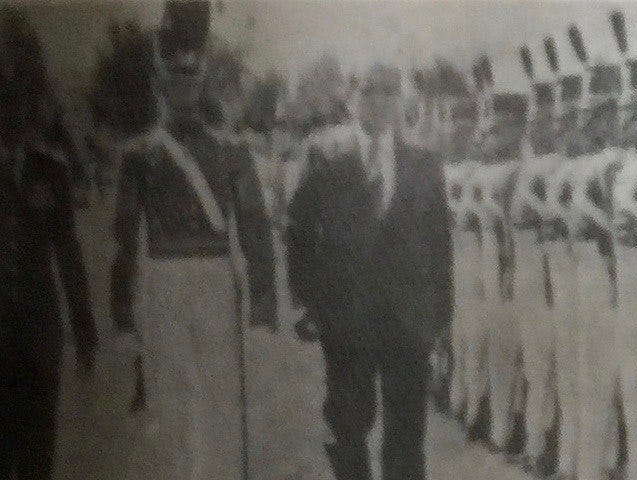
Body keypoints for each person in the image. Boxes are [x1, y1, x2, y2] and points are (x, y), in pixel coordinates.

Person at [107, 2, 278, 479]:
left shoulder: (231, 153)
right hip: (164, 285)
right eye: (172, 80)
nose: (181, 89)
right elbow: (123, 242)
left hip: (215, 284)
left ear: (201, 81)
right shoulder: (140, 157)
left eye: (190, 78)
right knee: (173, 409)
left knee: (222, 408)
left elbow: (256, 231)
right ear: (160, 85)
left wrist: (263, 309)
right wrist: (122, 316)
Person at [286, 63, 453, 480]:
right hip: (348, 320)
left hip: (408, 322)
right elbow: (301, 235)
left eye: (388, 92)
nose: (378, 101)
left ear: (400, 103)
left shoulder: (425, 165)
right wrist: (307, 302)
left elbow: (439, 247)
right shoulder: (327, 161)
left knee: (406, 438)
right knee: (347, 431)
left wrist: (442, 317)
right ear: (353, 98)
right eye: (369, 90)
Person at [0, 7, 98, 479]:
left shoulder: (51, 170)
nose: (12, 112)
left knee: (38, 465)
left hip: (39, 341)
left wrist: (85, 330)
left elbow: (69, 255)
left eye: (19, 98)